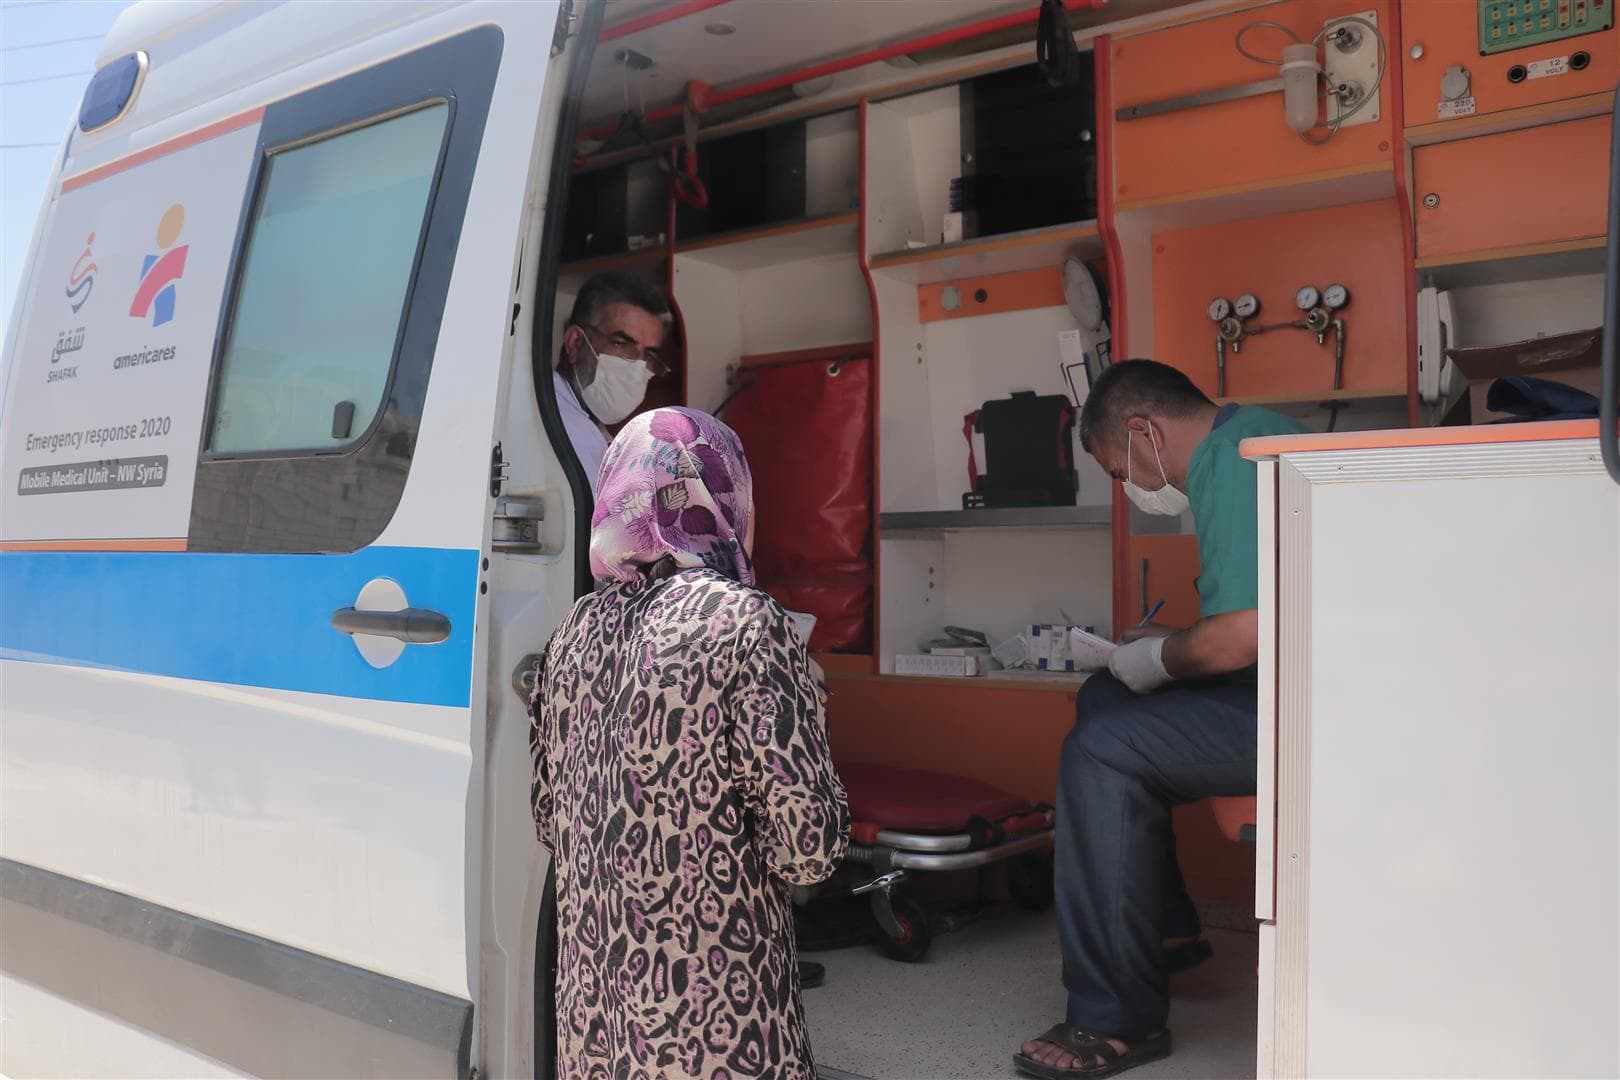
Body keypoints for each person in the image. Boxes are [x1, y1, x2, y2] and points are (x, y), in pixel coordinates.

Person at [529, 406, 849, 1080]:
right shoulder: (745, 624)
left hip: (597, 1027)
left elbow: (549, 818)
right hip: (718, 1030)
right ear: (725, 496)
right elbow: (809, 848)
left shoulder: (570, 635)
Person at [1016, 360, 1305, 1079]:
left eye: (1121, 471)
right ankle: (1165, 931)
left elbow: (1243, 634)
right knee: (1106, 701)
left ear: (1144, 432)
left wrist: (1164, 656)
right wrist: (1151, 657)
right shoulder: (1255, 435)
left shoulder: (1233, 460)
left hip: (1316, 711)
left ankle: (1116, 1022)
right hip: (1298, 684)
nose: (1131, 487)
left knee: (1102, 750)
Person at [554, 271, 672, 494]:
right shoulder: (548, 419)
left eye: (647, 355)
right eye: (621, 344)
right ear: (575, 342)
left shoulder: (591, 427)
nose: (636, 367)